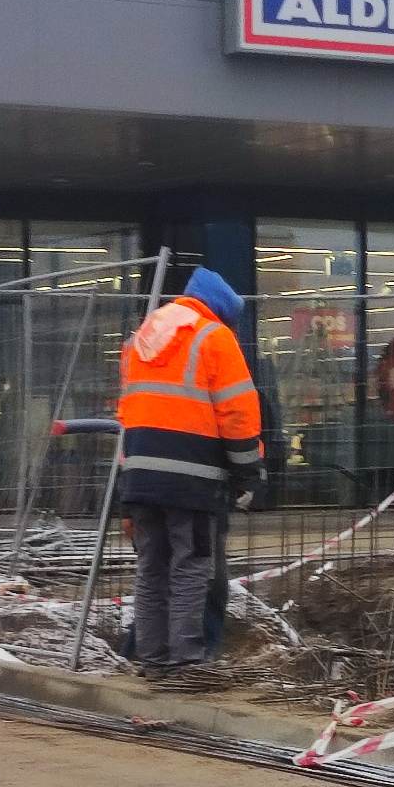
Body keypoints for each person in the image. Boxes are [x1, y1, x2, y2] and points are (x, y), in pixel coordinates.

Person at [117, 267, 264, 676]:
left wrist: (125, 485)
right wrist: (248, 472)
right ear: (222, 311)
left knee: (151, 569)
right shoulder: (214, 338)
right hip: (192, 479)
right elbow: (237, 413)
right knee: (191, 566)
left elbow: (126, 415)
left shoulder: (141, 339)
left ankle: (152, 658)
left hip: (141, 477)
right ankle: (187, 660)